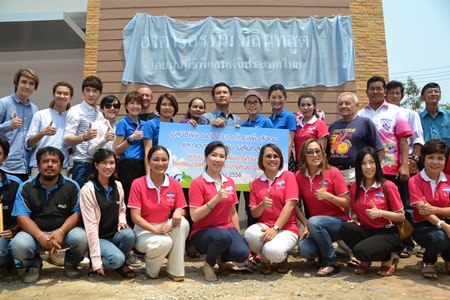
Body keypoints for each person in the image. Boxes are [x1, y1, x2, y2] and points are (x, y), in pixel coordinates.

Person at [10, 146, 88, 283]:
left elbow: (77, 214)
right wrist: (40, 236)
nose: (50, 165)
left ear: (61, 165)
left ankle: (70, 263)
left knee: (81, 238)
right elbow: (22, 218)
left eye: (54, 161)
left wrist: (62, 231)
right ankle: (33, 265)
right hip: (34, 235)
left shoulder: (72, 186)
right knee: (18, 245)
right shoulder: (26, 187)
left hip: (63, 234)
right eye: (45, 161)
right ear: (38, 165)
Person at [357, 76, 413, 258]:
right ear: (366, 92)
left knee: (402, 206)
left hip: (392, 169)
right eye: (372, 88)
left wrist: (404, 165)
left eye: (379, 88)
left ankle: (406, 243)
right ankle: (384, 245)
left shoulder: (396, 111)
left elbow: (403, 140)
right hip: (369, 171)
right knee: (376, 207)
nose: (375, 91)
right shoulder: (361, 115)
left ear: (385, 91)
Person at [340, 147, 405, 276]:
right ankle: (366, 260)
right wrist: (355, 218)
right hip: (367, 230)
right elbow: (353, 209)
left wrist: (381, 213)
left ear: (377, 164)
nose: (368, 167)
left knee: (359, 251)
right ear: (358, 166)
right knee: (345, 228)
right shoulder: (355, 187)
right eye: (363, 163)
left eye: (371, 162)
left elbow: (401, 216)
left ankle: (389, 258)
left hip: (387, 233)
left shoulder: (388, 186)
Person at [189, 141, 249, 281]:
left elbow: (233, 212)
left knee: (242, 253)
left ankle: (220, 257)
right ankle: (208, 264)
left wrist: (237, 236)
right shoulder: (197, 183)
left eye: (222, 156)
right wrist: (215, 199)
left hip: (226, 228)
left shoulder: (229, 182)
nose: (218, 159)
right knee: (222, 236)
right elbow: (194, 216)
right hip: (203, 232)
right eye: (214, 155)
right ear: (206, 157)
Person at [128, 146, 189, 281]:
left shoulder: (174, 184)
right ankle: (151, 271)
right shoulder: (138, 184)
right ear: (148, 162)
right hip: (144, 230)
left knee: (183, 223)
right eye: (156, 160)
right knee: (163, 242)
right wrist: (156, 230)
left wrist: (178, 211)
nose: (160, 164)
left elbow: (181, 207)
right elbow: (135, 217)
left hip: (165, 227)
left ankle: (175, 270)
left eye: (164, 160)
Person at [295, 139, 350, 276]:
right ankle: (328, 251)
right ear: (304, 156)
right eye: (310, 152)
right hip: (315, 226)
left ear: (323, 153)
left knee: (314, 221)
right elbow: (294, 205)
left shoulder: (333, 172)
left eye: (317, 151)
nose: (314, 155)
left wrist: (328, 196)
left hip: (338, 222)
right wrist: (306, 224)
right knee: (305, 250)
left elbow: (347, 202)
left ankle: (330, 262)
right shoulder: (299, 176)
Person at [80, 149, 136, 279]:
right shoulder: (88, 190)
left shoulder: (118, 185)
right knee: (116, 259)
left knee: (129, 235)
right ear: (96, 165)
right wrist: (95, 260)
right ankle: (104, 262)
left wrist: (122, 220)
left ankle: (121, 263)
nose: (108, 167)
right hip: (98, 237)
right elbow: (91, 226)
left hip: (114, 235)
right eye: (104, 163)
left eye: (112, 163)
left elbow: (122, 208)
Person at [243, 144, 298, 275]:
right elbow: (254, 213)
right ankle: (265, 260)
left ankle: (280, 258)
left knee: (273, 251)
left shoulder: (288, 176)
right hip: (265, 226)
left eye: (275, 156)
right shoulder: (256, 183)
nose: (272, 159)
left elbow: (290, 205)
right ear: (261, 160)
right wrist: (262, 205)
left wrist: (276, 228)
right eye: (268, 156)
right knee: (249, 234)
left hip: (287, 228)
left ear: (280, 159)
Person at [409, 139, 450, 279]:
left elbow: (430, 210)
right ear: (423, 159)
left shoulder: (449, 180)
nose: (435, 162)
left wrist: (435, 210)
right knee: (439, 237)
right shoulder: (415, 181)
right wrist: (444, 226)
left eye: (440, 158)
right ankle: (428, 261)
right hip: (423, 225)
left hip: (446, 221)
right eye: (431, 157)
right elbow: (423, 212)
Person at [327, 92, 384, 186]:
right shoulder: (333, 125)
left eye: (347, 103)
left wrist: (371, 171)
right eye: (340, 104)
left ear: (356, 105)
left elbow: (380, 150)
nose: (343, 106)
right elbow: (327, 151)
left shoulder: (365, 123)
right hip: (334, 173)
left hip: (355, 173)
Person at [64, 75, 105, 188]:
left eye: (95, 91)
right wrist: (84, 137)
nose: (91, 94)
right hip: (82, 162)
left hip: (99, 163)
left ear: (100, 93)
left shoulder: (100, 114)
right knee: (81, 200)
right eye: (88, 90)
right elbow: (67, 139)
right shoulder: (75, 111)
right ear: (83, 92)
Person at [241, 90, 274, 228]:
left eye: (255, 102)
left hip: (261, 172)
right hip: (247, 173)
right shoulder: (242, 126)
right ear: (245, 105)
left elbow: (273, 142)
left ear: (260, 105)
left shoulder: (266, 122)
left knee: (261, 206)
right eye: (249, 102)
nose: (252, 105)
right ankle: (250, 238)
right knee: (250, 207)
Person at [27, 81, 73, 177]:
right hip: (39, 166)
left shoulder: (72, 117)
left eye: (66, 94)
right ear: (53, 94)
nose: (62, 96)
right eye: (59, 93)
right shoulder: (40, 115)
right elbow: (28, 143)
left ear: (70, 97)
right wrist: (42, 133)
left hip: (61, 168)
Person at [0, 68, 39, 181]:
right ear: (16, 83)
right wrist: (9, 125)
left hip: (25, 167)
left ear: (35, 88)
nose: (27, 86)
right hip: (6, 166)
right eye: (23, 82)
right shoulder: (4, 103)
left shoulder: (34, 109)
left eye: (31, 83)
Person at [386, 80, 424, 176]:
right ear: (385, 95)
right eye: (391, 93)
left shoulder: (411, 114)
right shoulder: (381, 115)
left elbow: (418, 139)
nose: (394, 96)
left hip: (408, 161)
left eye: (397, 93)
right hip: (387, 162)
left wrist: (414, 161)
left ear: (402, 96)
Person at [0, 138, 22, 282]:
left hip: (7, 235)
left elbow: (24, 215)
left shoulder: (16, 183)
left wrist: (13, 230)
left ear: (5, 157)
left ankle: (8, 264)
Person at [143, 93, 178, 173]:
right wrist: (148, 174)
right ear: (159, 107)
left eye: (171, 105)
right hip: (155, 168)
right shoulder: (150, 124)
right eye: (164, 104)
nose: (167, 108)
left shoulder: (177, 127)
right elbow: (147, 151)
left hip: (172, 168)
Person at [267, 84, 296, 168]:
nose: (277, 100)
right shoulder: (268, 119)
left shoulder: (289, 117)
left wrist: (283, 164)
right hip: (271, 160)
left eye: (280, 97)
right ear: (268, 98)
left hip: (284, 160)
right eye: (273, 97)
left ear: (285, 98)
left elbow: (289, 143)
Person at [294, 93, 328, 161]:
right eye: (302, 105)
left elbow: (321, 148)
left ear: (314, 106)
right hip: (299, 163)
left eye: (309, 105)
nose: (305, 108)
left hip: (313, 162)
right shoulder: (297, 124)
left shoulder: (320, 124)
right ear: (299, 107)